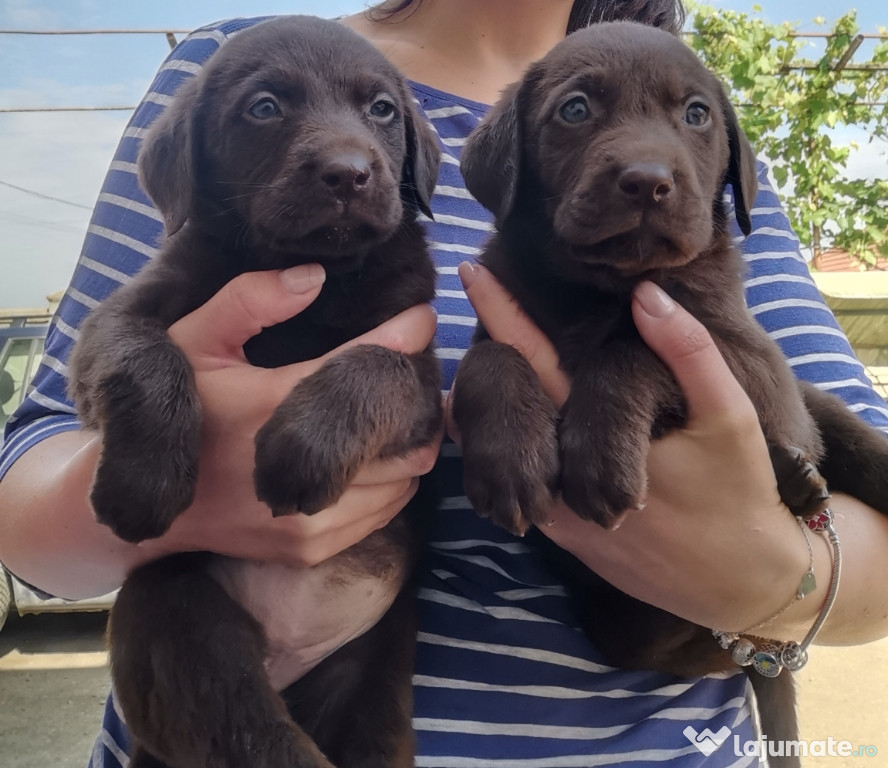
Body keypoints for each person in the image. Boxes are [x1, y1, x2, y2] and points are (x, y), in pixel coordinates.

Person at [1, 1, 887, 765]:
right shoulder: (228, 59)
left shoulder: (717, 158)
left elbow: (832, 464)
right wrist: (173, 476)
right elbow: (29, 479)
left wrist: (776, 579)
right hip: (209, 695)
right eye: (576, 111)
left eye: (694, 118)